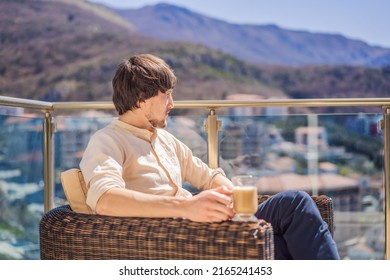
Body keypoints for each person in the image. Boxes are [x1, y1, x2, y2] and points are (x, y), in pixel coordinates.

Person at [80, 53, 340, 260]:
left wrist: (238, 206)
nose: (172, 104)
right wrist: (186, 207)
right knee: (293, 204)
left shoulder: (165, 139)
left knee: (286, 233)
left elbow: (208, 176)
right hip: (180, 240)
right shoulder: (107, 140)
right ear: (140, 100)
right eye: (167, 96)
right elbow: (105, 199)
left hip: (209, 228)